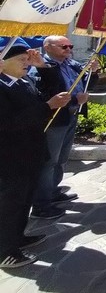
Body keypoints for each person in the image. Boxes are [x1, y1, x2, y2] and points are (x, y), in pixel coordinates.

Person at [0, 40, 71, 268]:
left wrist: (42, 66)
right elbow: (9, 123)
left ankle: (16, 237)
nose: (26, 64)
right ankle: (5, 252)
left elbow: (52, 91)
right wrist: (46, 107)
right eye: (21, 60)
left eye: (27, 59)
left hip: (30, 153)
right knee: (10, 204)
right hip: (10, 158)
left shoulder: (21, 81)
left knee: (24, 201)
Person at [31, 36, 99, 219]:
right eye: (64, 46)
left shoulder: (72, 64)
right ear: (48, 47)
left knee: (61, 159)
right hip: (55, 119)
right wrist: (76, 99)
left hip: (71, 115)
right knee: (49, 161)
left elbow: (86, 83)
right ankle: (41, 204)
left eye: (70, 45)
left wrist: (94, 72)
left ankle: (53, 192)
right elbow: (45, 92)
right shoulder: (40, 66)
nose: (69, 49)